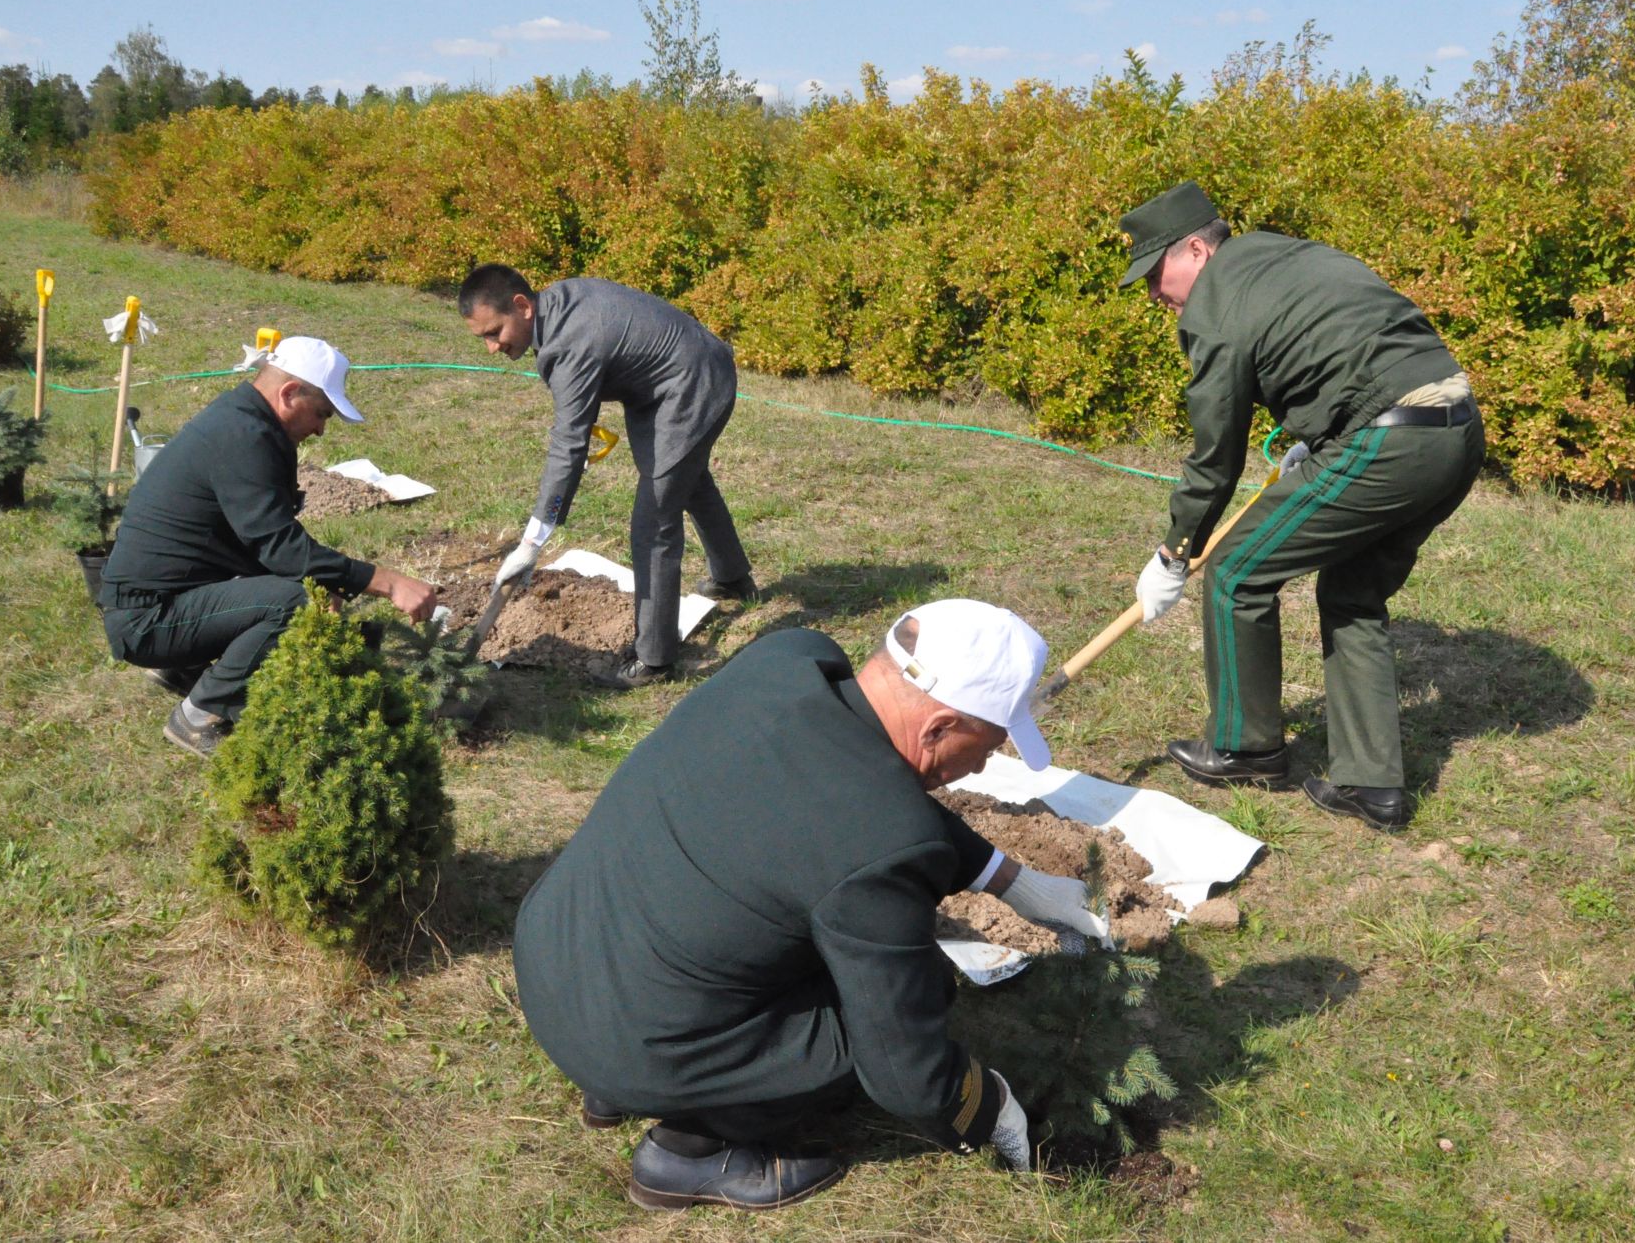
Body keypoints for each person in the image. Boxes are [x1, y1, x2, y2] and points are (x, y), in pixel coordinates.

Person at [511, 599, 1111, 1211]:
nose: (983, 765)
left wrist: (1010, 879)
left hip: (559, 953)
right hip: (638, 1045)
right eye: (986, 746)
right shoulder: (883, 847)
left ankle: (616, 1081)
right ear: (938, 728)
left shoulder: (786, 661)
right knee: (920, 990)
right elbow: (904, 1072)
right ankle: (690, 1150)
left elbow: (868, 783)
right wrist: (983, 1106)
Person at [1121, 181, 1485, 830]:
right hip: (1456, 425)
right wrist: (1320, 439)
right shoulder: (1277, 254)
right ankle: (1371, 785)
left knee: (1236, 569)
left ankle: (1245, 746)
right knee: (1351, 592)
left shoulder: (1213, 306)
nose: (1154, 293)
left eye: (1156, 272)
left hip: (1389, 440)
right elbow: (1342, 344)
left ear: (1197, 252)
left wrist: (1175, 552)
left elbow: (1215, 457)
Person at [98, 336, 438, 758]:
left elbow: (263, 539)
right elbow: (282, 550)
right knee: (293, 600)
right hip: (145, 621)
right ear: (290, 393)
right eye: (321, 413)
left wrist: (328, 582)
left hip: (163, 601)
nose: (320, 428)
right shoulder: (243, 436)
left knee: (304, 589)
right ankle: (198, 716)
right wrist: (386, 582)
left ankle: (180, 666)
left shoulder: (247, 423)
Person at [456, 264, 755, 689]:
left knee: (653, 520)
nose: (491, 347)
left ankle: (654, 658)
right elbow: (572, 433)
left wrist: (532, 542)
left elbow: (567, 447)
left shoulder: (569, 342)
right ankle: (731, 576)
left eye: (494, 332)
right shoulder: (554, 306)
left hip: (693, 382)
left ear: (522, 306)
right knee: (684, 480)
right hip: (659, 385)